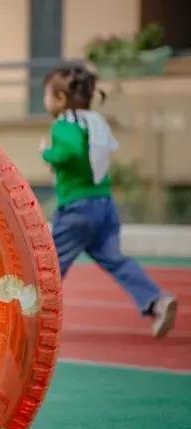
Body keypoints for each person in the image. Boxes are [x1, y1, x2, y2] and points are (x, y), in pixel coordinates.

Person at [41, 61, 177, 338]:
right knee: (116, 260)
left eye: (45, 94)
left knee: (49, 267)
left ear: (60, 98)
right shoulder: (95, 121)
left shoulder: (64, 123)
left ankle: (33, 319)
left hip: (76, 209)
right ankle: (157, 301)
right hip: (104, 205)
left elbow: (68, 153)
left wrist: (47, 153)